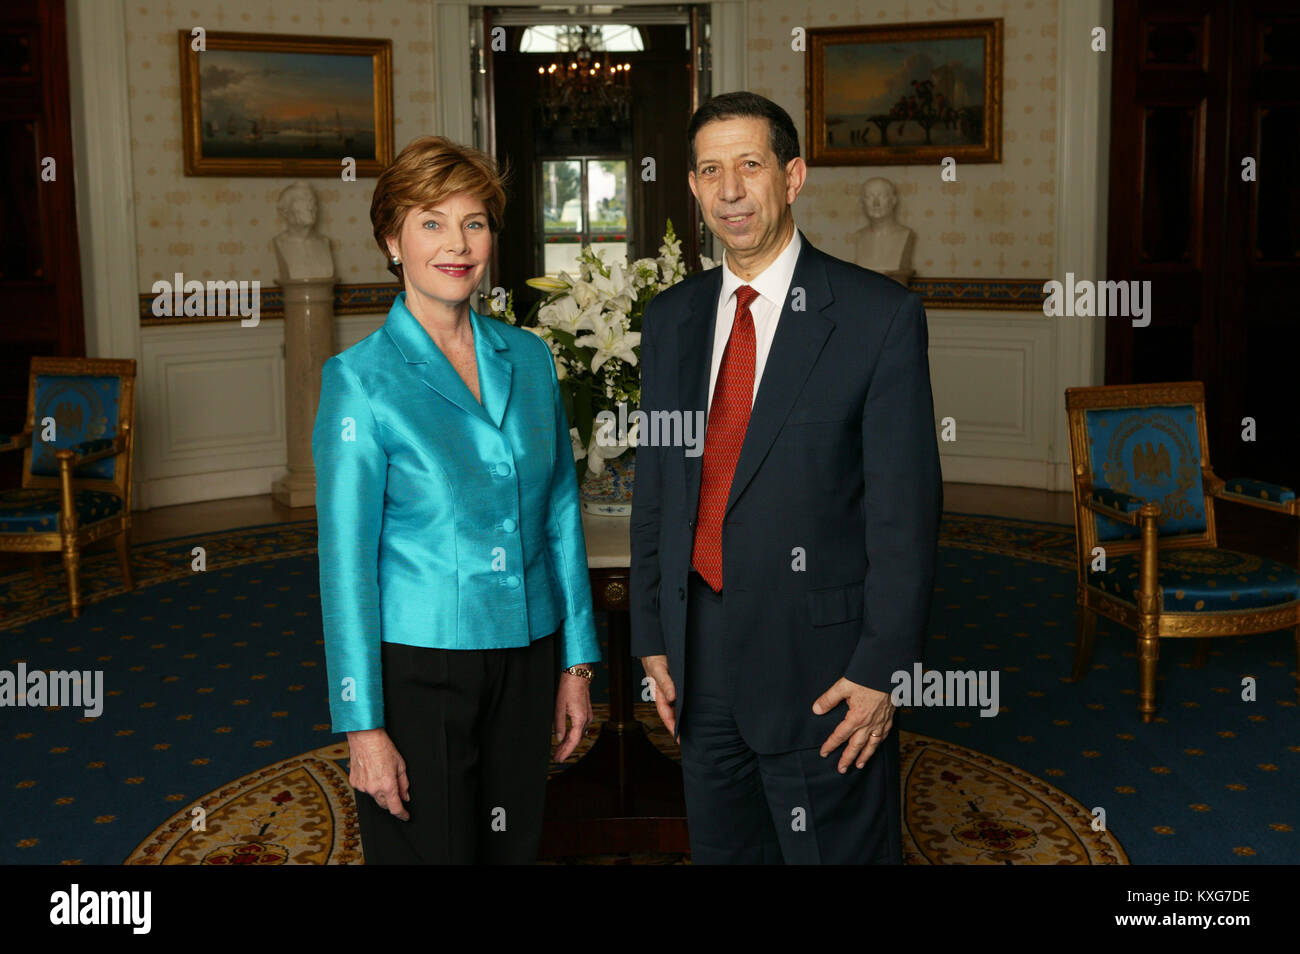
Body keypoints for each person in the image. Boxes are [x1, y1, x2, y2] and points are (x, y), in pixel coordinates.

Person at [629, 92, 942, 864]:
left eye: (749, 166)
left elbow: (906, 515)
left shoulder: (878, 316)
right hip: (697, 659)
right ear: (694, 188)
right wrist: (652, 636)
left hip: (824, 671)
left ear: (793, 176)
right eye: (710, 171)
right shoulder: (671, 319)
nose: (730, 190)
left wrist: (879, 669)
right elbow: (659, 491)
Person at [313, 135, 601, 864]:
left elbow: (561, 510)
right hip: (420, 665)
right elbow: (346, 568)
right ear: (392, 239)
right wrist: (363, 727)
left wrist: (576, 664)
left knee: (514, 848)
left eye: (474, 222)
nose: (458, 244)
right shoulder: (360, 380)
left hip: (529, 654)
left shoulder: (529, 357)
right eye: (431, 222)